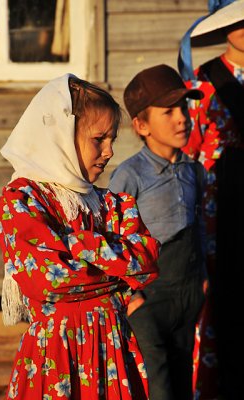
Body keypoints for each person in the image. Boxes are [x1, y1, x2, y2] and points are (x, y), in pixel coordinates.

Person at [0, 73, 161, 400]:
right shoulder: (22, 201)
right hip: (57, 357)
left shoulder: (114, 203)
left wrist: (74, 242)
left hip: (113, 351)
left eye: (113, 139)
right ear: (59, 136)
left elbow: (146, 260)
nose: (110, 151)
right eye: (98, 139)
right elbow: (47, 280)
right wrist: (117, 271)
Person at [109, 64, 207, 400]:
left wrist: (203, 278)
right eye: (168, 111)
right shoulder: (129, 176)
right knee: (158, 381)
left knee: (182, 374)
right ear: (141, 125)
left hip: (189, 292)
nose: (182, 118)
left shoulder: (195, 170)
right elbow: (112, 239)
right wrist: (130, 296)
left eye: (183, 107)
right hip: (149, 298)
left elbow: (200, 225)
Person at [178, 1, 244, 398]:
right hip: (221, 217)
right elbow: (187, 156)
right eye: (235, 19)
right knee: (223, 306)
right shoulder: (202, 83)